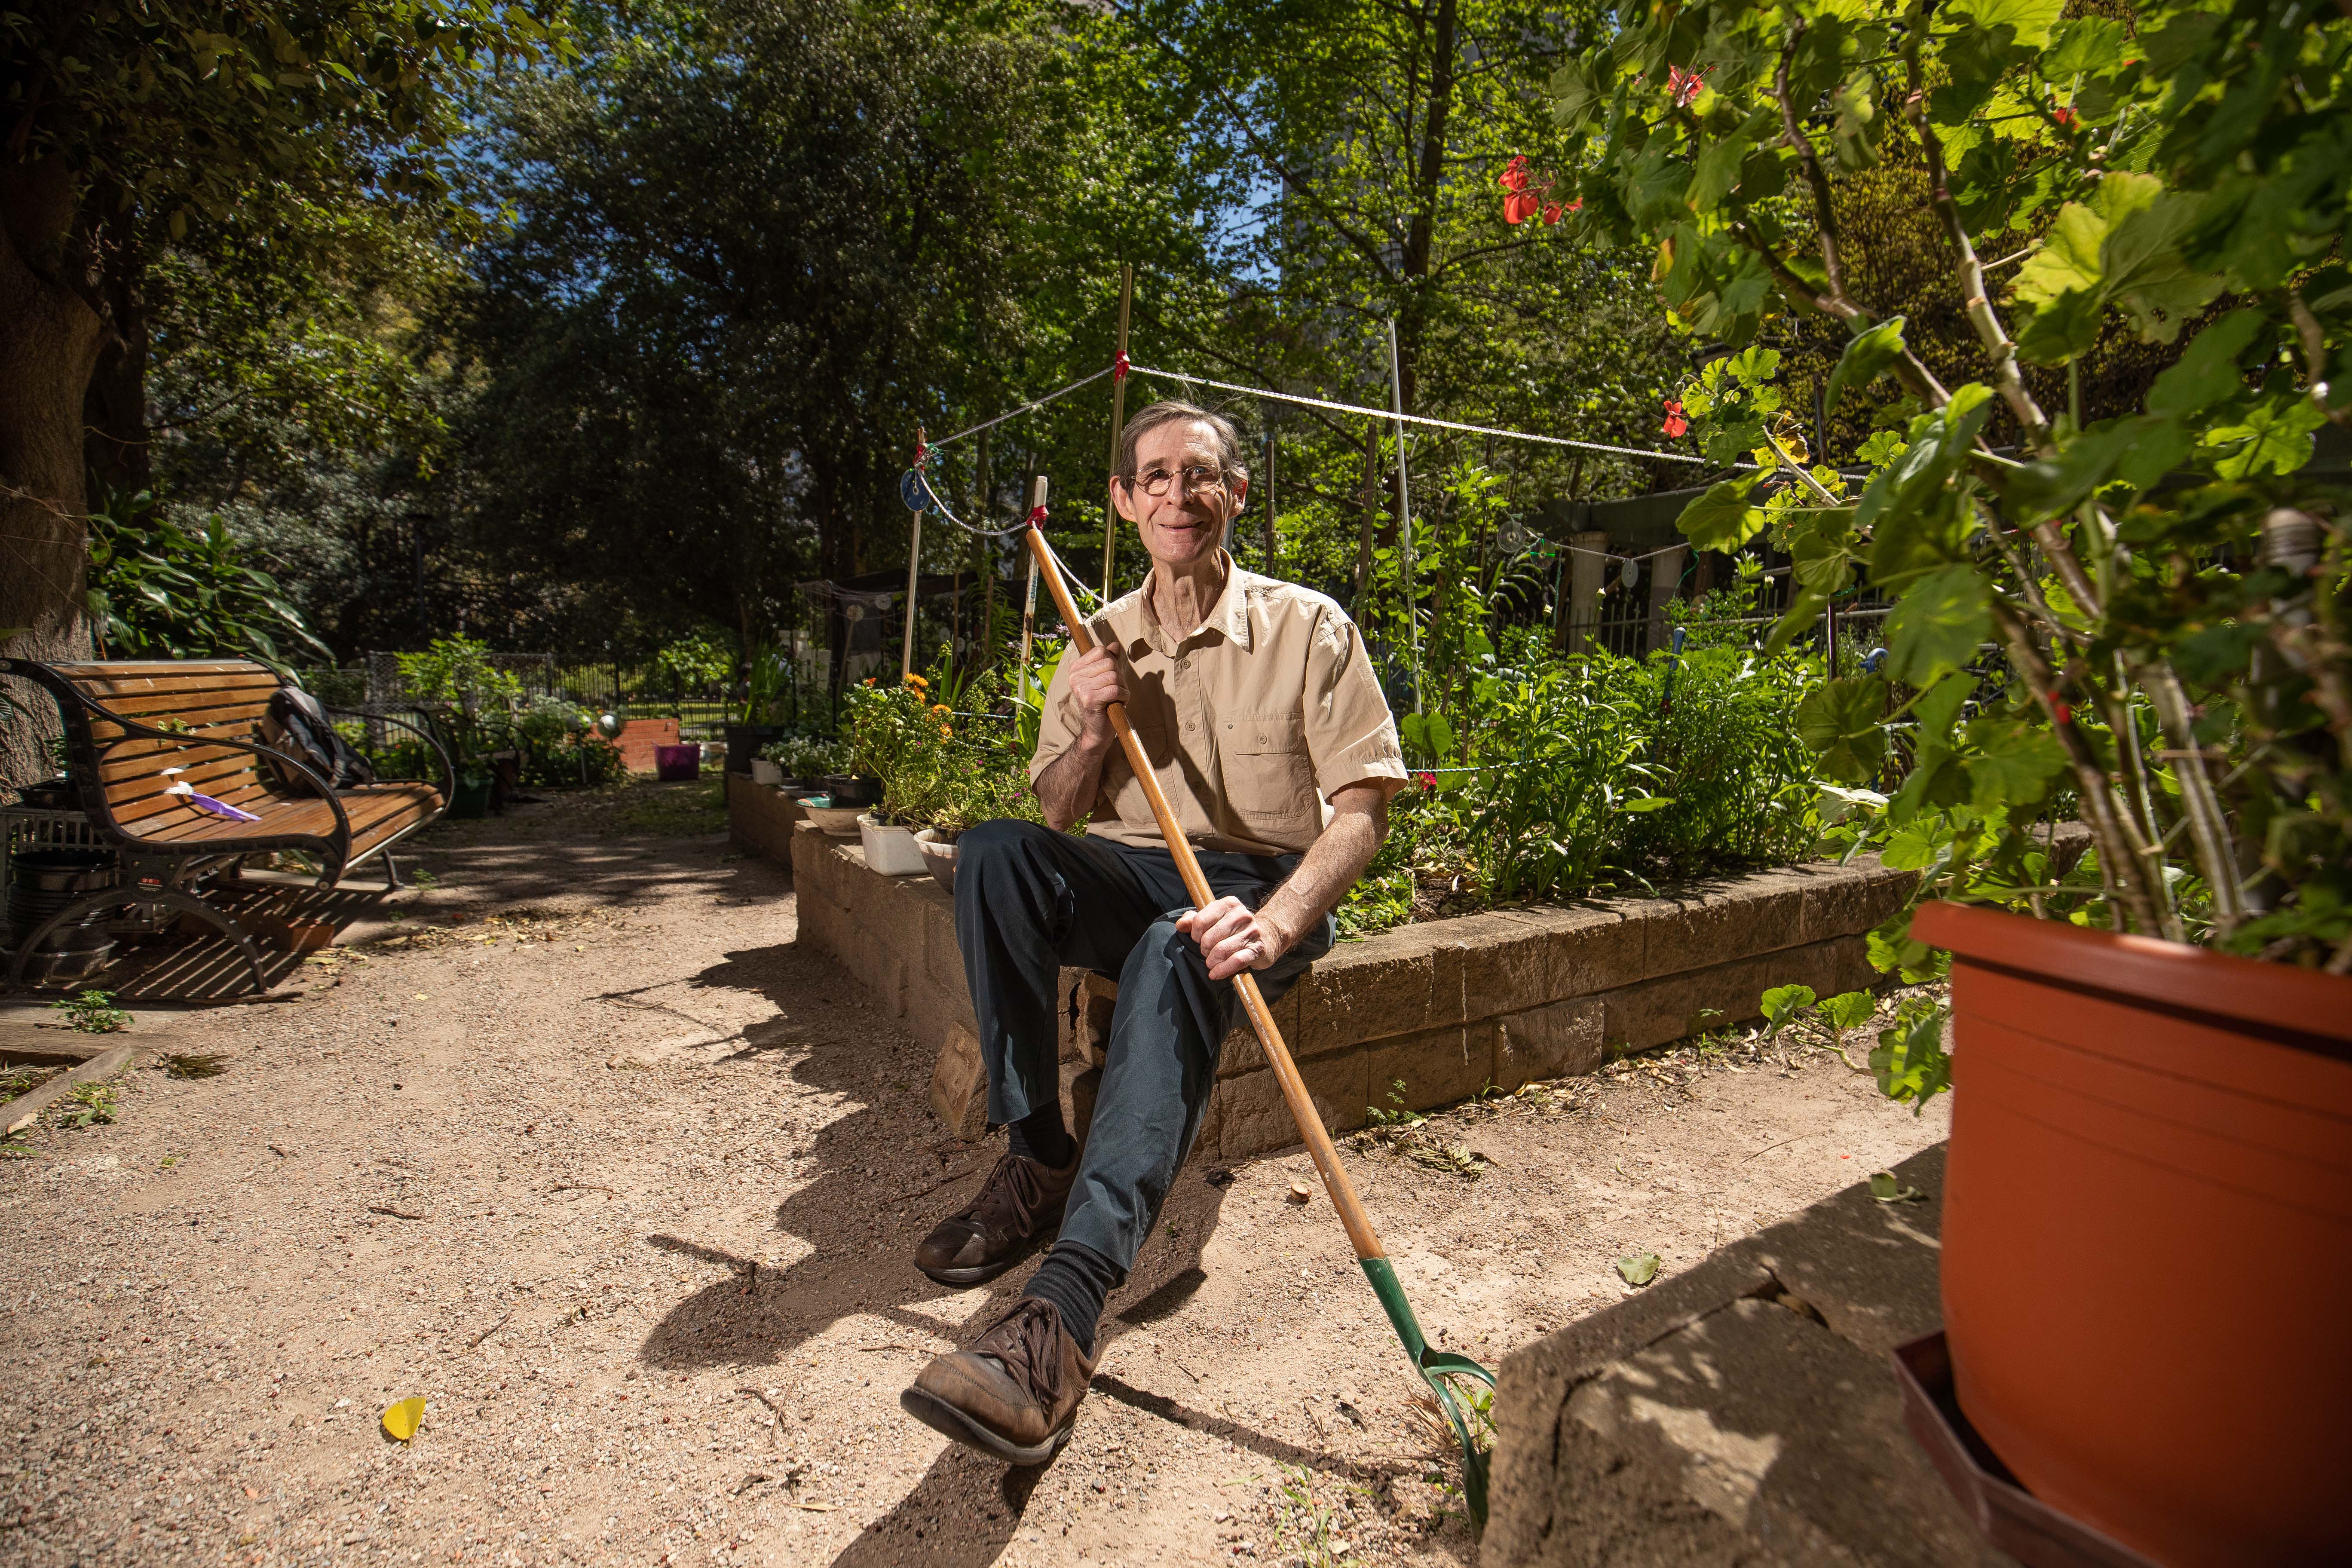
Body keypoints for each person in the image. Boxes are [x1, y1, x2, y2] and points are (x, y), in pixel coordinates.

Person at [898, 400, 1408, 1464]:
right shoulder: (1099, 640)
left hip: (1260, 881)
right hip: (1131, 863)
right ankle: (1039, 1160)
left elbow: (1361, 811)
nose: (1180, 495)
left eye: (1201, 474)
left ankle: (1063, 1317)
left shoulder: (1308, 626)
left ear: (1236, 492)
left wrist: (1270, 927)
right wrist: (1091, 721)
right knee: (995, 851)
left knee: (1183, 941)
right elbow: (1058, 817)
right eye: (1156, 477)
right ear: (1127, 502)